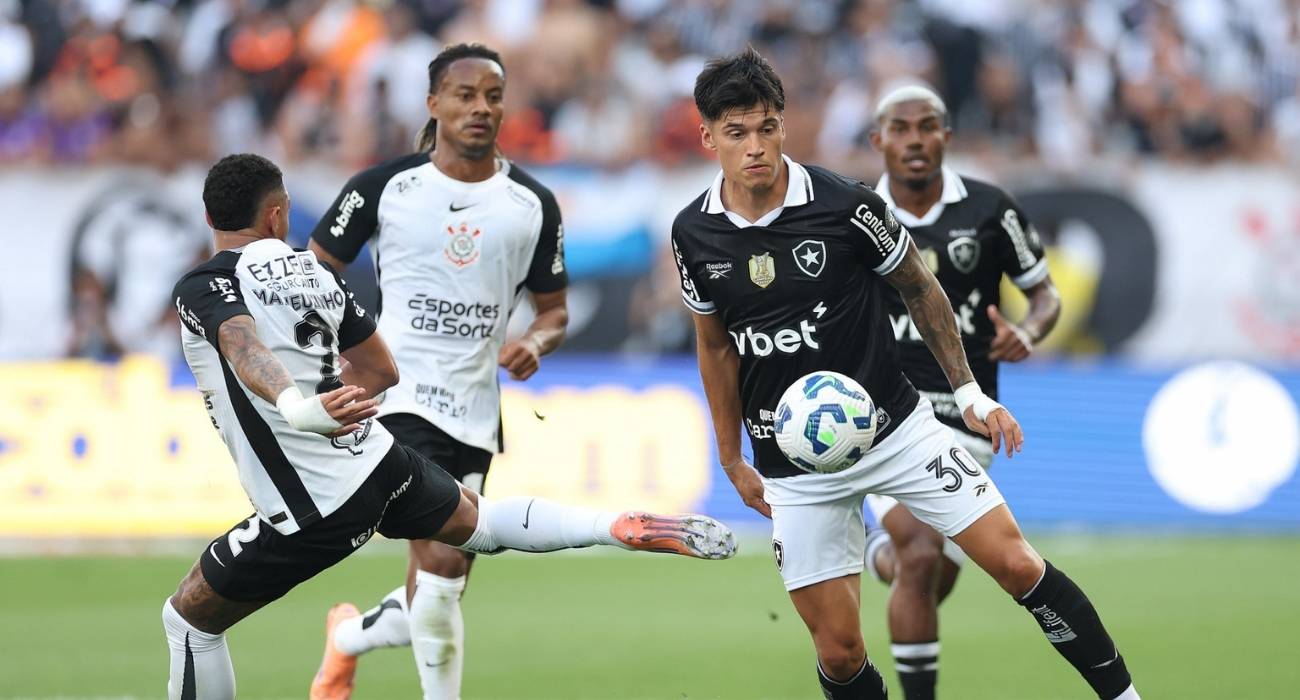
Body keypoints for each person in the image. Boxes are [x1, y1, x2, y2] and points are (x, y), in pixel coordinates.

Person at [162, 152, 736, 700]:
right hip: (378, 460)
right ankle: (613, 525)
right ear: (278, 215)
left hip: (313, 504)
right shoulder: (317, 275)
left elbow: (241, 343)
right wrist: (336, 402)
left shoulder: (205, 284)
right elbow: (382, 370)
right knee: (480, 524)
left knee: (189, 619)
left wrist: (301, 410)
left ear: (210, 217)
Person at [671, 49, 1137, 700]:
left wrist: (969, 393)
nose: (756, 147)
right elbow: (715, 346)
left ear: (784, 125)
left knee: (1016, 563)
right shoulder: (692, 233)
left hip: (898, 432)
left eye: (767, 128)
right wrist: (730, 455)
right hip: (792, 465)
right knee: (839, 654)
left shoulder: (846, 205)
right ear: (708, 138)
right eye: (737, 133)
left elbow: (922, 289)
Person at [305, 43, 569, 700]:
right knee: (445, 560)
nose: (480, 108)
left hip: (475, 412)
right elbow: (313, 274)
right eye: (465, 95)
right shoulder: (383, 187)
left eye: (493, 97)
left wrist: (536, 341)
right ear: (434, 104)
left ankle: (348, 638)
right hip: (398, 399)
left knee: (438, 588)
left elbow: (555, 309)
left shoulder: (532, 203)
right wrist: (342, 355)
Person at [860, 84, 1062, 700]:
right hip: (884, 419)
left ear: (946, 136)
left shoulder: (991, 209)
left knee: (924, 574)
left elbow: (1045, 294)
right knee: (922, 556)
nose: (915, 140)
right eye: (900, 128)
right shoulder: (854, 213)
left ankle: (879, 553)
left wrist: (1028, 331)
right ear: (879, 140)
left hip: (966, 421)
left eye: (927, 126)